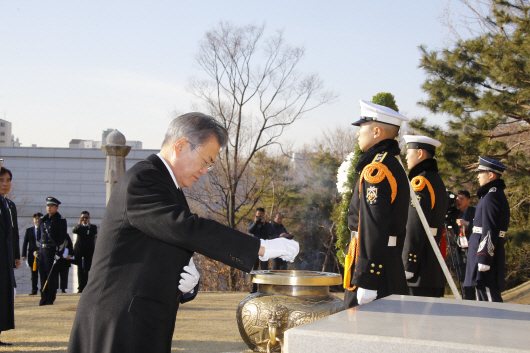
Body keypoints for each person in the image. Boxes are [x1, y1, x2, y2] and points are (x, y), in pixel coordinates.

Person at [67, 112, 299, 353]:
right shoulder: (143, 179)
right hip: (119, 322)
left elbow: (164, 247)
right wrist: (261, 247)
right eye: (206, 161)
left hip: (142, 318)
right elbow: (186, 227)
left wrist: (187, 286)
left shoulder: (169, 188)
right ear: (180, 146)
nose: (206, 170)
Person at [343, 100, 410, 307]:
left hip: (376, 269)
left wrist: (367, 279)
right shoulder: (390, 163)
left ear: (377, 131)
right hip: (386, 262)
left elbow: (373, 225)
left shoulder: (376, 170)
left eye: (362, 127)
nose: (358, 134)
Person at [401, 135, 448, 297]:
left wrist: (408, 264)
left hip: (420, 268)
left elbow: (415, 226)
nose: (406, 157)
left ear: (420, 153)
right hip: (433, 266)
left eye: (409, 152)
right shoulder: (436, 180)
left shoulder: (420, 182)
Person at [464, 157, 509, 302]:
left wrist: (485, 257)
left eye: (481, 172)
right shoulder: (490, 195)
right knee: (483, 297)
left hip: (485, 253)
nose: (478, 176)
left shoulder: (492, 196)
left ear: (491, 175)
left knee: (489, 299)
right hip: (483, 250)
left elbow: (491, 228)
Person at [0, 167, 19, 346]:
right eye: (1, 180)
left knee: (4, 296)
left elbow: (13, 233)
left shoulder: (9, 204)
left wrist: (16, 255)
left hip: (6, 258)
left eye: (8, 180)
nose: (5, 184)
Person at [38, 197, 68, 306]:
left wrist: (59, 253)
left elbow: (62, 239)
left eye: (51, 206)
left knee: (51, 277)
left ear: (56, 207)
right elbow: (39, 237)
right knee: (42, 276)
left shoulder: (61, 220)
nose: (49, 208)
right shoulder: (43, 219)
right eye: (47, 206)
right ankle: (43, 298)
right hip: (43, 252)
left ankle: (50, 298)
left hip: (52, 252)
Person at [454, 190, 476, 300]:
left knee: (472, 275)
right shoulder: (454, 213)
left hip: (471, 247)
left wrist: (466, 224)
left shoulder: (474, 211)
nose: (459, 202)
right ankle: (467, 296)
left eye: (462, 199)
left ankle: (473, 297)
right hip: (460, 249)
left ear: (469, 200)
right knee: (463, 275)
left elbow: (480, 227)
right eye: (457, 199)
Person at [72, 211, 97, 293]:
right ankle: (80, 287)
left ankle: (86, 286)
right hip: (79, 252)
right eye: (83, 217)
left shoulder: (92, 227)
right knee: (80, 270)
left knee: (87, 269)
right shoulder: (79, 227)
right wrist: (79, 223)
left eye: (86, 217)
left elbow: (94, 232)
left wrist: (88, 225)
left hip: (88, 252)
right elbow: (74, 231)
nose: (84, 219)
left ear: (89, 218)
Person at [22, 213, 43, 295]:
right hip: (32, 255)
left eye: (39, 219)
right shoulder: (29, 230)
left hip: (42, 254)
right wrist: (24, 255)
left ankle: (43, 290)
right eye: (35, 219)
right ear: (33, 220)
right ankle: (34, 290)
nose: (37, 220)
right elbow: (25, 243)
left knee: (42, 273)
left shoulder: (44, 229)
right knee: (33, 274)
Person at [248, 207, 273, 271]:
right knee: (254, 266)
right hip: (254, 246)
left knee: (264, 267)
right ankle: (253, 280)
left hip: (263, 247)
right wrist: (255, 223)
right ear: (256, 214)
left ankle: (264, 280)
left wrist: (264, 224)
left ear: (264, 214)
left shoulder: (268, 225)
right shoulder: (252, 223)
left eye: (261, 214)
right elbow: (250, 231)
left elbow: (270, 233)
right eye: (258, 214)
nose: (260, 215)